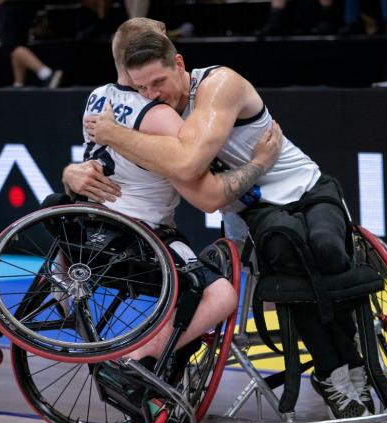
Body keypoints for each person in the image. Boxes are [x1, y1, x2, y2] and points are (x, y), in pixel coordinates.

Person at [84, 27, 374, 423]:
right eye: (142, 87)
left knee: (325, 247)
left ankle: (352, 359)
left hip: (305, 187)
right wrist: (77, 169)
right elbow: (204, 197)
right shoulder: (160, 119)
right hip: (253, 211)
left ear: (180, 65)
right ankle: (332, 374)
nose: (151, 93)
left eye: (158, 81)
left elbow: (186, 164)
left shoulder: (219, 84)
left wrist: (114, 132)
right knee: (289, 261)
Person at [61, 17, 283, 365]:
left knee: (193, 282)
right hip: (137, 237)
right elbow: (202, 188)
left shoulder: (95, 98)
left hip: (88, 232)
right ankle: (140, 360)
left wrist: (69, 172)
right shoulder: (161, 115)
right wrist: (259, 163)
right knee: (221, 295)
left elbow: (93, 162)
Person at [0, 0, 63, 87]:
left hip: (12, 4)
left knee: (10, 46)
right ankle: (18, 84)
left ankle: (47, 74)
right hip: (28, 6)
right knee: (18, 44)